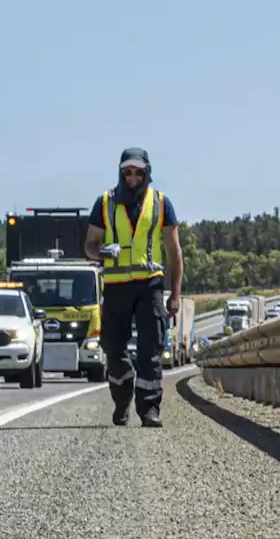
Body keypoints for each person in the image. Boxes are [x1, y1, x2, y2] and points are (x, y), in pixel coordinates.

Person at [84, 148, 183, 428]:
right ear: (120, 172)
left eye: (139, 172)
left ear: (147, 173)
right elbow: (89, 245)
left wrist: (174, 295)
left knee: (151, 346)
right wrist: (102, 252)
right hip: (115, 286)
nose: (133, 177)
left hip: (149, 285)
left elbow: (175, 253)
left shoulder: (162, 204)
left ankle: (149, 408)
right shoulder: (104, 203)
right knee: (113, 348)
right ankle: (122, 395)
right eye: (128, 172)